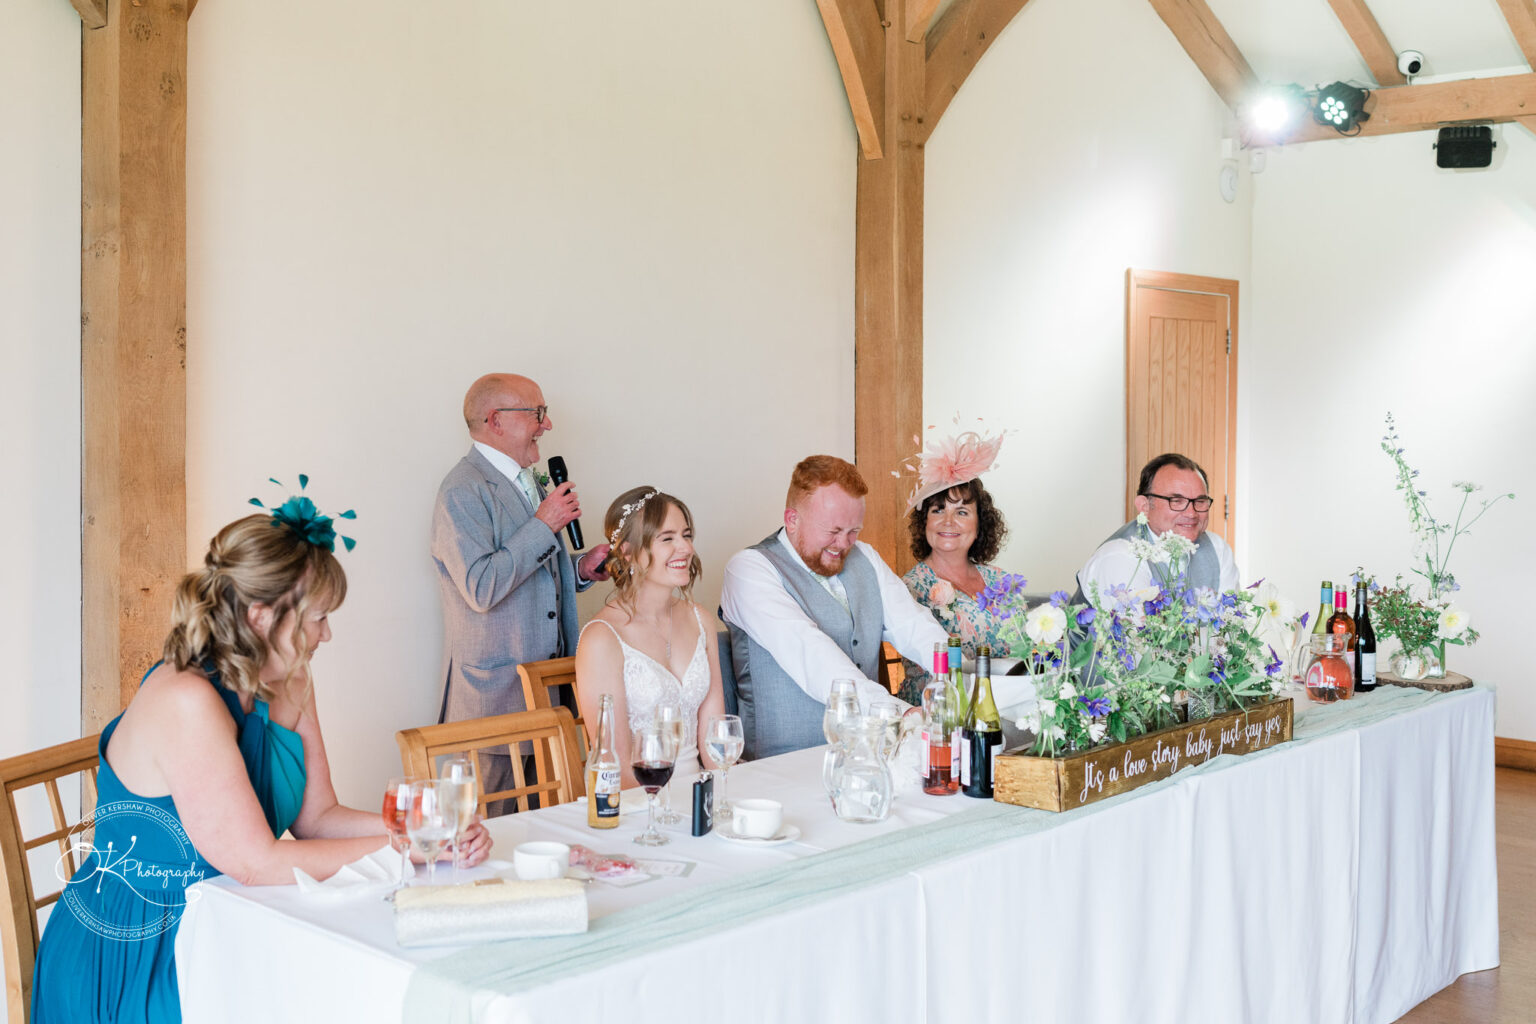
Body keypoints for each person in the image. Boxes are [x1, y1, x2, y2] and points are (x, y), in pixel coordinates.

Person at [32, 499, 490, 1024]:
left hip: (233, 919)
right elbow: (255, 863)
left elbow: (317, 818)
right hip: (140, 949)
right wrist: (411, 848)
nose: (327, 634)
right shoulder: (185, 699)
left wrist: (430, 830)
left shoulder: (290, 677)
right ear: (261, 616)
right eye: (318, 618)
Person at [431, 373, 610, 809]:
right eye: (538, 413)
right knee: (487, 838)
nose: (546, 426)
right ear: (496, 420)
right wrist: (544, 524)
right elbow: (480, 586)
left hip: (549, 698)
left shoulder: (528, 481)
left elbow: (528, 571)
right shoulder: (462, 490)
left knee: (546, 830)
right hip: (494, 703)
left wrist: (579, 569)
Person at [720, 455, 947, 760]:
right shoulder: (749, 569)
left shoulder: (864, 556)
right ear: (792, 519)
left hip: (866, 758)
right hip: (781, 767)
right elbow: (810, 653)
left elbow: (913, 625)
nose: (843, 543)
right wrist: (897, 713)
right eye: (833, 530)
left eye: (854, 530)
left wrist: (955, 680)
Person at [574, 487, 728, 786]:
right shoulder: (602, 638)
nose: (685, 548)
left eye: (686, 535)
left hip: (698, 799)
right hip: (638, 805)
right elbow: (614, 766)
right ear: (628, 552)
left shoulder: (700, 619)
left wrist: (723, 800)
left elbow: (715, 741)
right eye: (667, 538)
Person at [898, 427, 1014, 703]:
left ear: (979, 524)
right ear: (924, 521)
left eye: (961, 512)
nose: (947, 522)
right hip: (938, 709)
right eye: (938, 510)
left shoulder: (1000, 580)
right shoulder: (910, 587)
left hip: (1005, 703)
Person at [1074, 452, 1240, 605]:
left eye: (1200, 501)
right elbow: (1140, 635)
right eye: (1176, 501)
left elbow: (1232, 627)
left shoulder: (1217, 549)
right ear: (1144, 506)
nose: (1191, 513)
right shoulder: (1119, 555)